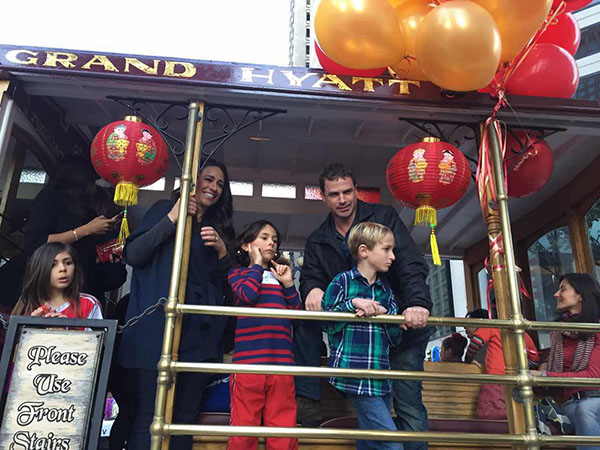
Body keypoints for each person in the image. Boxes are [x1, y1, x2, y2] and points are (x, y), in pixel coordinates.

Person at [296, 163, 432, 449]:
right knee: (372, 420)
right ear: (323, 196)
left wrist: (417, 304)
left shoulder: (384, 217)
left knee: (408, 407)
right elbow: (309, 279)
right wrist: (312, 289)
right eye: (334, 194)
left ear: (357, 191)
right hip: (358, 347)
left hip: (400, 333)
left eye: (347, 192)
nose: (342, 199)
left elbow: (409, 263)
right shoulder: (317, 240)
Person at [117, 159, 235, 450]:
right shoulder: (162, 209)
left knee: (184, 418)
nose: (214, 188)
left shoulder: (216, 227)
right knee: (150, 415)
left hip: (199, 333)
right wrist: (173, 216)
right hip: (158, 328)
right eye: (208, 180)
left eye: (220, 183)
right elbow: (134, 254)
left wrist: (222, 252)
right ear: (192, 182)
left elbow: (225, 283)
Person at [322, 222, 403, 450]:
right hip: (353, 373)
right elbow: (326, 321)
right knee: (392, 443)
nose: (392, 256)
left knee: (369, 440)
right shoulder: (342, 282)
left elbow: (396, 338)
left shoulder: (386, 292)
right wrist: (352, 304)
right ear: (364, 251)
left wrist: (386, 314)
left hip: (380, 377)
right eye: (386, 249)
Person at [227, 220, 300, 450]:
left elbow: (296, 315)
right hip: (248, 364)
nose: (271, 243)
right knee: (243, 429)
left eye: (275, 240)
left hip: (281, 364)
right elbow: (247, 295)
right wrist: (257, 266)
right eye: (265, 237)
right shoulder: (237, 274)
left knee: (283, 430)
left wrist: (288, 283)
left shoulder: (281, 277)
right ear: (247, 245)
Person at [24, 157, 126, 306]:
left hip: (84, 287)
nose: (95, 186)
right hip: (49, 289)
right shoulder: (50, 198)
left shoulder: (87, 212)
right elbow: (35, 242)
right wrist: (84, 231)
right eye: (91, 180)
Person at [531, 273, 600, 450]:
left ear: (580, 295)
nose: (556, 294)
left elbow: (593, 376)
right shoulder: (558, 331)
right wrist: (544, 367)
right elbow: (555, 360)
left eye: (563, 289)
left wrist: (546, 375)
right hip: (569, 402)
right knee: (581, 410)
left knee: (586, 410)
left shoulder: (597, 328)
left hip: (595, 398)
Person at [464, 308, 539, 420]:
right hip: (517, 382)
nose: (464, 327)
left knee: (489, 416)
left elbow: (476, 343)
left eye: (468, 323)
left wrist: (467, 361)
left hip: (495, 379)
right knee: (517, 418)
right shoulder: (523, 334)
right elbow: (534, 359)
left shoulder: (491, 326)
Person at [12, 242, 103, 319]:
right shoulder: (27, 305)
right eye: (53, 265)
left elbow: (97, 339)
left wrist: (63, 333)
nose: (63, 268)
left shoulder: (88, 304)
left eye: (68, 263)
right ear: (39, 269)